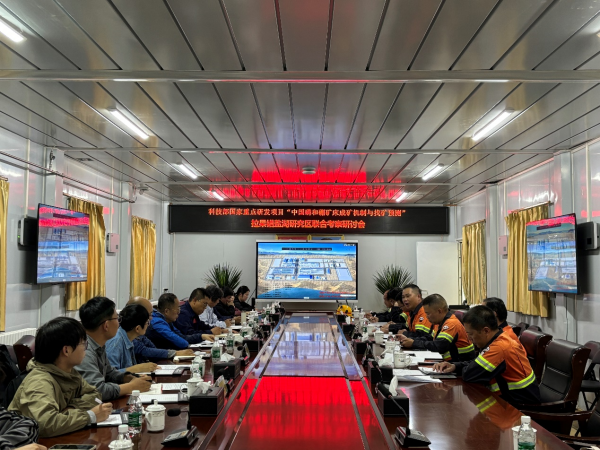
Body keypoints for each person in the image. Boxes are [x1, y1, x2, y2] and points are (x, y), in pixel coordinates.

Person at [9, 317, 112, 438]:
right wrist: (90, 416)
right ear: (66, 350)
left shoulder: (68, 371)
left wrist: (71, 409)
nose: (86, 348)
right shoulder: (39, 381)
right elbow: (45, 424)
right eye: (84, 344)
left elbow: (95, 395)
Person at [433, 305, 541, 406]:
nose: (469, 339)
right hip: (505, 400)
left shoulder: (499, 348)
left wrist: (463, 368)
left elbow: (470, 374)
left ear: (486, 331)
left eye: (470, 334)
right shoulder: (498, 339)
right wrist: (455, 366)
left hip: (519, 407)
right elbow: (476, 363)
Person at [76, 297, 152, 401]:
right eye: (117, 319)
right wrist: (131, 387)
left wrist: (129, 378)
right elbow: (97, 391)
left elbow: (109, 373)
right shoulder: (84, 352)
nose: (119, 323)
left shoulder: (98, 345)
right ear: (106, 325)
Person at [398, 294, 476, 362]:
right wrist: (410, 340)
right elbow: (430, 338)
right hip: (446, 364)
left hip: (459, 367)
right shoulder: (439, 323)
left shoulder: (451, 323)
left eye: (428, 314)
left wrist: (413, 343)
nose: (427, 317)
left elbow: (439, 346)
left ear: (439, 311)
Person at [127, 297, 195, 362]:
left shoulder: (141, 331)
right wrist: (175, 353)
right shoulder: (126, 333)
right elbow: (143, 350)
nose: (151, 318)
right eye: (149, 314)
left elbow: (152, 348)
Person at [145, 293, 215, 350]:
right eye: (177, 309)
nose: (179, 312)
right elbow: (182, 343)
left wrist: (201, 336)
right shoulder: (157, 323)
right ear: (166, 311)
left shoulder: (168, 321)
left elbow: (182, 337)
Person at [105, 304, 159, 373]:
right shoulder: (115, 343)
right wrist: (137, 369)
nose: (148, 326)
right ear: (137, 328)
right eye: (147, 323)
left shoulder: (128, 337)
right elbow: (110, 374)